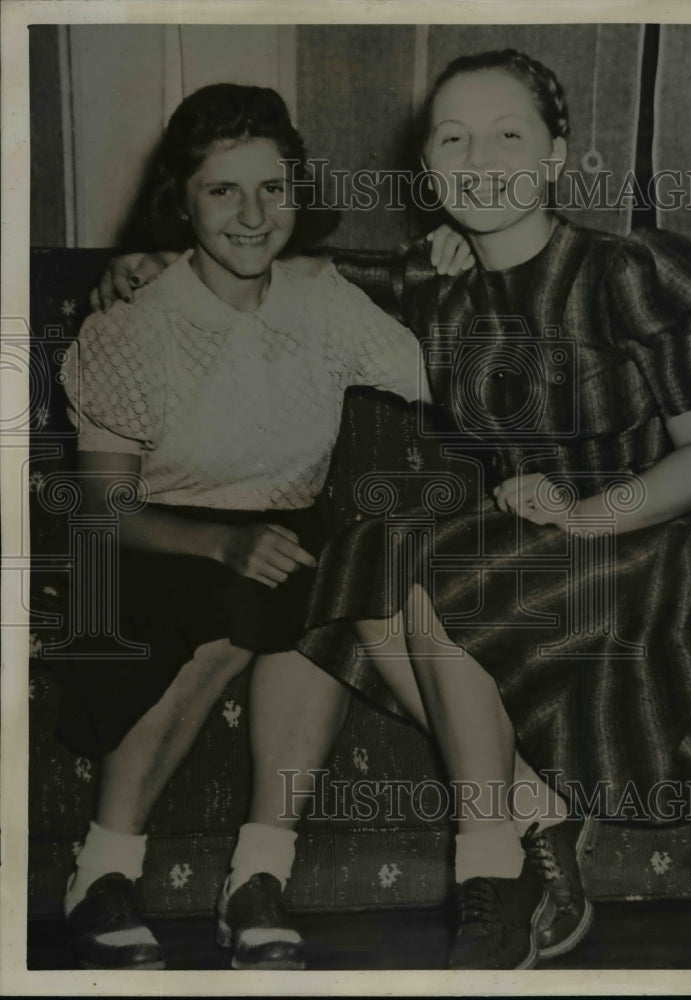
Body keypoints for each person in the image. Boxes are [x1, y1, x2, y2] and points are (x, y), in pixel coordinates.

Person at [96, 49, 691, 971]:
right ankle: (532, 809)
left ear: (557, 154)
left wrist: (587, 514)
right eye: (453, 139)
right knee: (363, 558)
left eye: (508, 135)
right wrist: (159, 258)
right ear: (429, 166)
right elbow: (279, 264)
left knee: (440, 576)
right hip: (522, 541)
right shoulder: (428, 279)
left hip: (648, 537)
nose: (479, 159)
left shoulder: (628, 272)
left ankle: (487, 866)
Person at [58, 82, 438, 972]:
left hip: (281, 538)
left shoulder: (322, 299)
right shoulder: (132, 324)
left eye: (273, 188)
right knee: (246, 595)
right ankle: (102, 872)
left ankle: (258, 878)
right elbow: (102, 511)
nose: (254, 214)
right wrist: (222, 543)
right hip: (151, 540)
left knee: (321, 588)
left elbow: (436, 370)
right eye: (223, 190)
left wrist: (452, 253)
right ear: (182, 201)